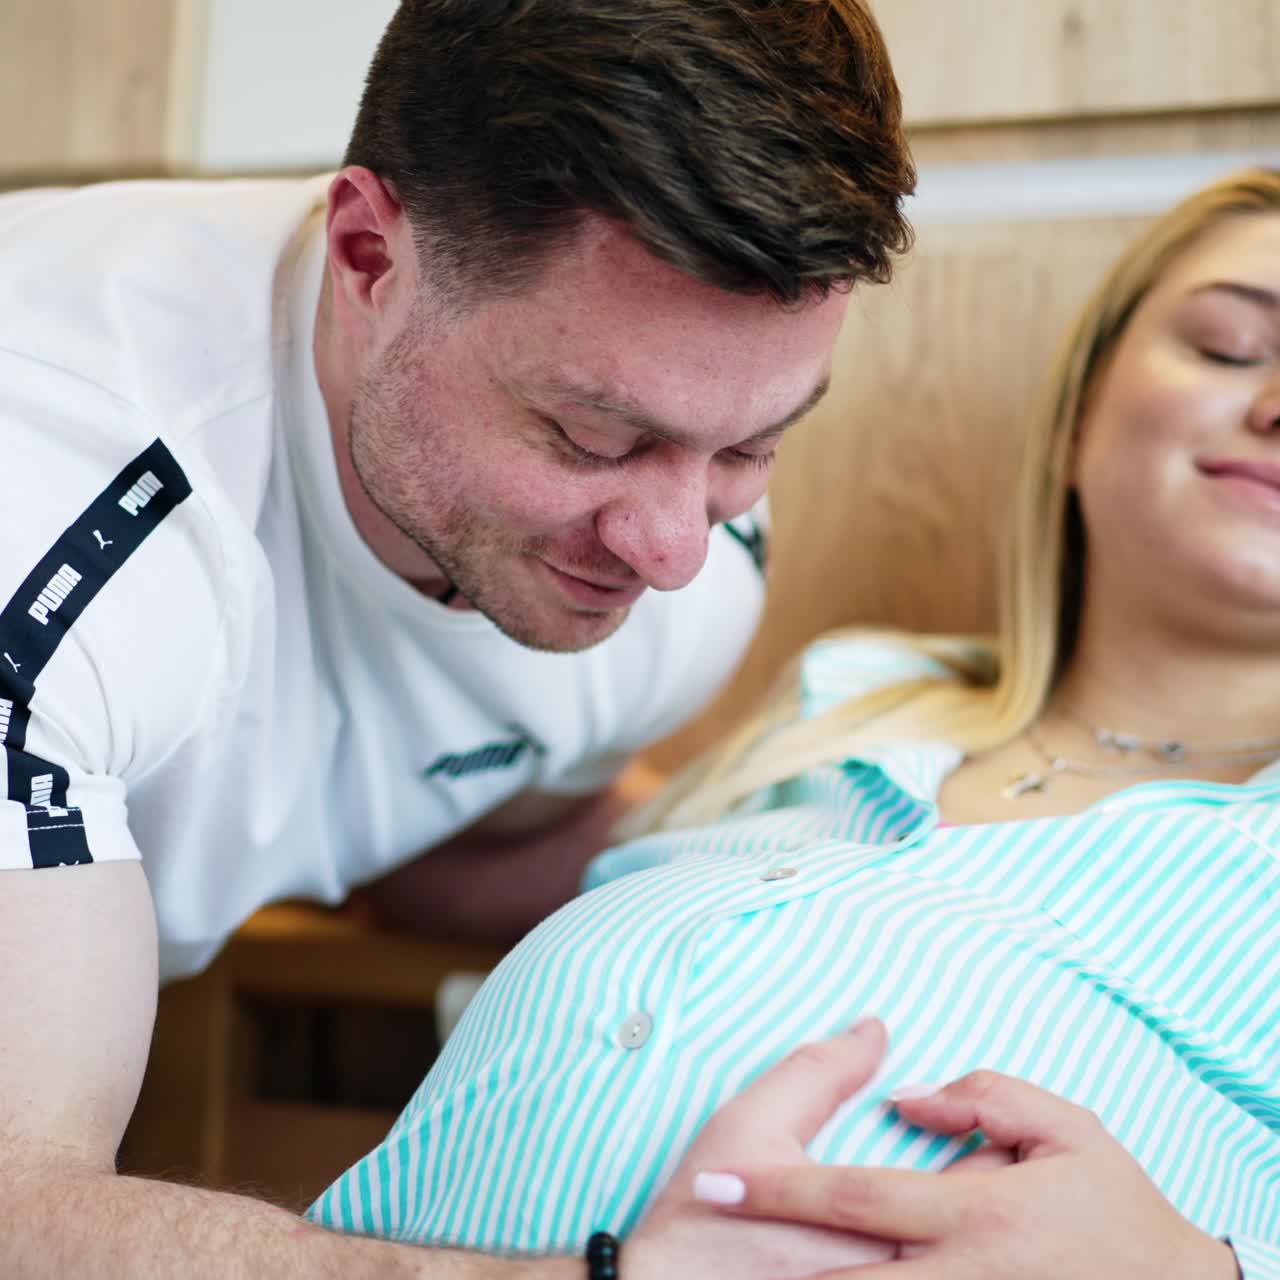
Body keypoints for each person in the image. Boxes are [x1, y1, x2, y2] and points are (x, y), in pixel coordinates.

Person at [0, 2, 920, 1277]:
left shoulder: (679, 574)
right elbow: (14, 1210)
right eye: (595, 437)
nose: (672, 549)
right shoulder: (48, 520)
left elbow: (456, 833)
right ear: (371, 256)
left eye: (754, 443)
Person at [312, 169, 1280, 1278]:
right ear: (1073, 422)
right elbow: (476, 857)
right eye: (1225, 345)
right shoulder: (849, 699)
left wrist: (1200, 1267)